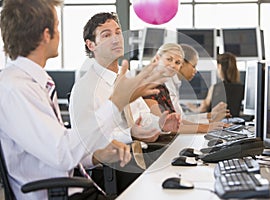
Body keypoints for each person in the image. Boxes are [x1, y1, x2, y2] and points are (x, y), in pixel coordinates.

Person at [0, 1, 170, 199]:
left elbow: (59, 147)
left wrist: (96, 157)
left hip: (76, 185)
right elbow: (62, 154)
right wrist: (116, 103)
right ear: (47, 35)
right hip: (60, 194)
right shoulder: (16, 88)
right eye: (57, 26)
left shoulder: (33, 83)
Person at [69, 12, 181, 193]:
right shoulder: (84, 89)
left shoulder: (126, 76)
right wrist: (130, 133)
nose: (116, 39)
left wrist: (160, 124)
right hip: (110, 173)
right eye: (106, 35)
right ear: (91, 45)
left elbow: (142, 116)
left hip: (138, 158)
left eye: (118, 32)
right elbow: (88, 143)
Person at [143, 43, 224, 134]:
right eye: (169, 59)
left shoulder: (163, 88)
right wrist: (206, 127)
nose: (173, 65)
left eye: (177, 62)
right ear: (157, 59)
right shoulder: (149, 87)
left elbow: (178, 121)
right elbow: (163, 126)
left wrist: (209, 126)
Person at [165, 43, 230, 123]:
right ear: (181, 63)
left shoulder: (174, 83)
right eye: (194, 66)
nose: (195, 71)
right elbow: (180, 123)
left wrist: (210, 115)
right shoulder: (167, 84)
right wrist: (211, 121)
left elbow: (183, 118)